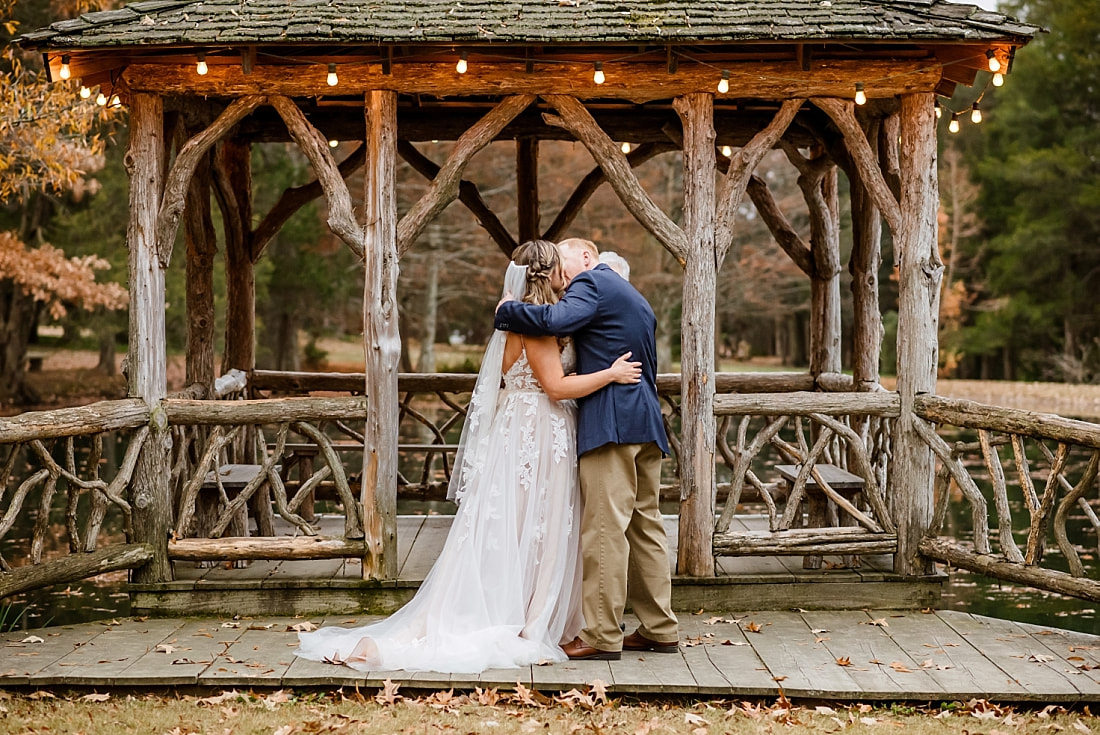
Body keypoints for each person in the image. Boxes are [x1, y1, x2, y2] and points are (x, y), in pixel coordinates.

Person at [296, 240, 642, 674]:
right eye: (560, 270)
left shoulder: (522, 315)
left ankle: (538, 607)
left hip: (532, 428)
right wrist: (610, 374)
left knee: (531, 525)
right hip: (537, 429)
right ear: (547, 274)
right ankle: (521, 615)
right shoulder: (534, 326)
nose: (567, 278)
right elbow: (554, 386)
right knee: (534, 524)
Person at [495, 238, 679, 661]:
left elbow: (557, 318)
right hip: (646, 423)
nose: (559, 273)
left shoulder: (593, 283)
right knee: (645, 526)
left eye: (562, 260)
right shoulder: (635, 298)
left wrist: (507, 311)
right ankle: (659, 627)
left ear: (586, 255)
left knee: (604, 530)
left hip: (611, 426)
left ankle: (599, 635)